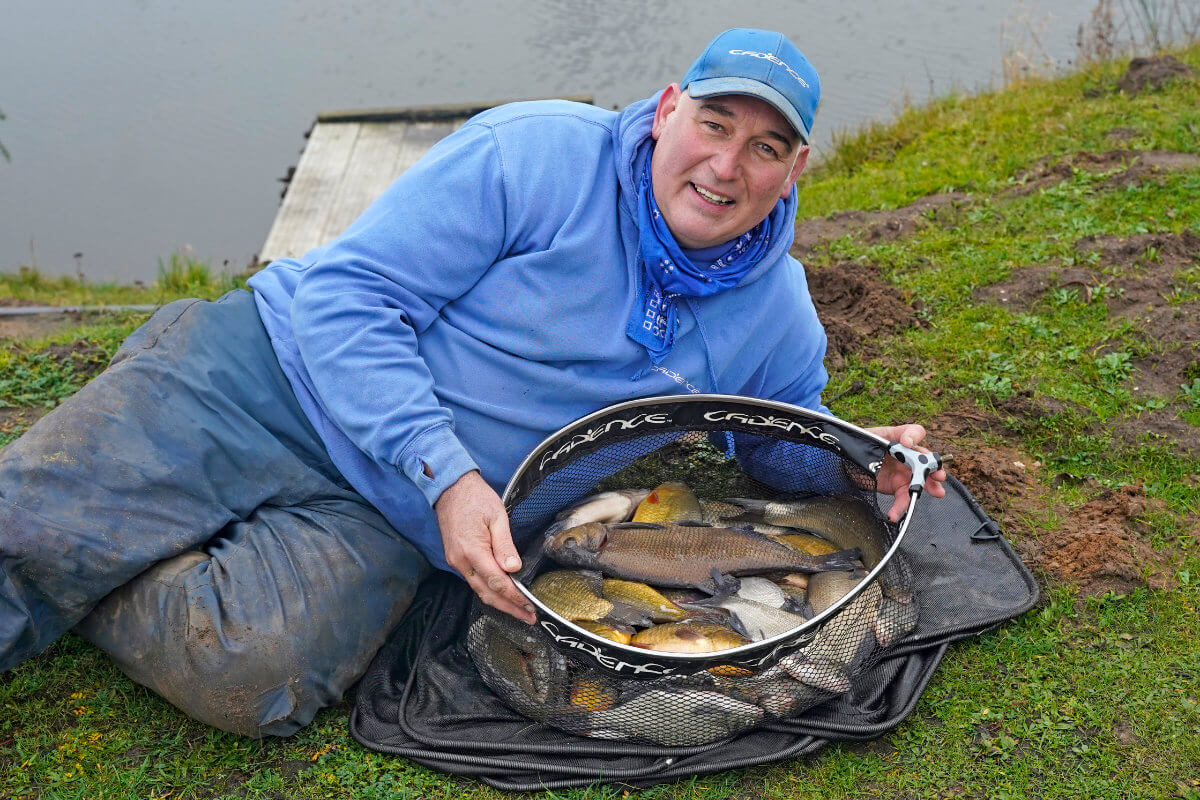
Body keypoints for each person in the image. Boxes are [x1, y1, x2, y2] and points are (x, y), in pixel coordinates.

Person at [0, 28, 946, 738]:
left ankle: (106, 546)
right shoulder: (532, 156)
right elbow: (348, 295)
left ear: (797, 169)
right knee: (25, 529)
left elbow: (778, 435)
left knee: (254, 680)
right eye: (713, 123)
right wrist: (449, 476)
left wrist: (859, 463)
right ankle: (92, 508)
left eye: (766, 148)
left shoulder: (774, 306)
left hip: (380, 515)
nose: (726, 165)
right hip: (266, 373)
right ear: (668, 111)